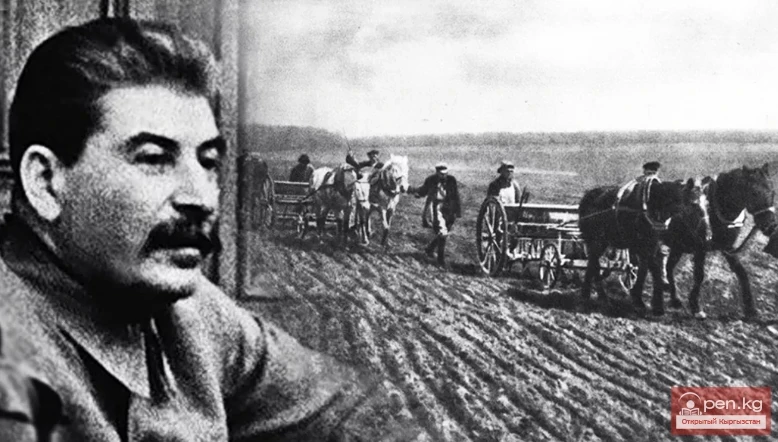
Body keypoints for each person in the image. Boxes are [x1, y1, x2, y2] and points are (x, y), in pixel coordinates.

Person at [0, 18, 422, 441]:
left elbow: (349, 409)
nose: (200, 197)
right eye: (154, 158)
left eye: (207, 163)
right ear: (46, 182)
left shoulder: (189, 313)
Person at [413, 163, 462, 266]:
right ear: (437, 173)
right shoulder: (430, 180)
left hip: (448, 208)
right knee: (442, 232)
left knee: (445, 230)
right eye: (441, 174)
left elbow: (455, 195)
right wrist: (417, 193)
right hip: (436, 207)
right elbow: (424, 190)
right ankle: (440, 260)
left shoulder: (451, 180)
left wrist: (457, 211)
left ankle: (430, 249)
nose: (443, 176)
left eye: (445, 173)